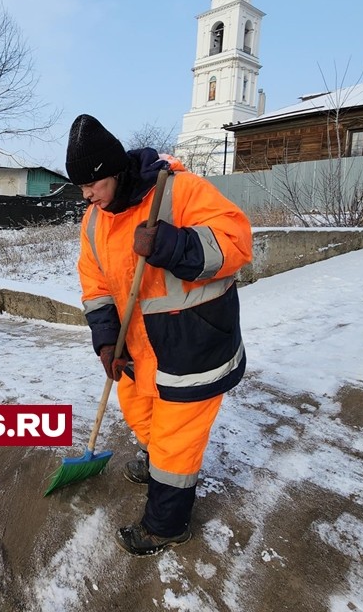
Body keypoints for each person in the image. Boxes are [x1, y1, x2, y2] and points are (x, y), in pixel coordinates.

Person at [65, 113, 253, 557]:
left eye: (93, 185)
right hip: (139, 347)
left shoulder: (178, 191)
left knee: (175, 441)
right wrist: (107, 341)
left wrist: (174, 245)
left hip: (193, 343)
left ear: (114, 171)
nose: (88, 196)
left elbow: (238, 241)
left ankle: (165, 525)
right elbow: (94, 287)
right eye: (82, 190)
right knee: (139, 413)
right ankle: (157, 462)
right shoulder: (94, 220)